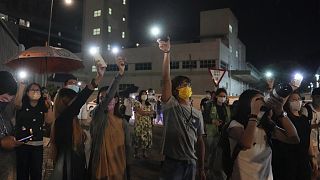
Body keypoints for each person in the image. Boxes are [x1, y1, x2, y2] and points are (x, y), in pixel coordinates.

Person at [158, 38, 206, 180]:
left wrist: (201, 167)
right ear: (175, 90)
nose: (187, 88)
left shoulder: (197, 113)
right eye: (183, 85)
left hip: (191, 162)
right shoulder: (171, 105)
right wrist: (167, 53)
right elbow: (166, 79)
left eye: (189, 85)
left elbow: (200, 140)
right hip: (172, 163)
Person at [228, 89, 300, 180]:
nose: (262, 102)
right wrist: (254, 114)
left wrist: (280, 112)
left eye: (263, 99)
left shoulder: (266, 126)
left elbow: (294, 139)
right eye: (258, 100)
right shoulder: (236, 124)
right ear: (247, 103)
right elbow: (246, 143)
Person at [50, 63, 105, 180]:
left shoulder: (70, 120)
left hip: (74, 166)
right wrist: (98, 78)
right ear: (65, 103)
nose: (78, 106)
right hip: (69, 170)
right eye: (74, 102)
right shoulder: (63, 120)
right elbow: (80, 100)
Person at [88, 58, 131, 180]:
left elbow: (128, 146)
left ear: (116, 100)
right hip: (101, 167)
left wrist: (129, 166)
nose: (105, 100)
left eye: (108, 97)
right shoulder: (98, 114)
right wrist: (119, 74)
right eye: (101, 98)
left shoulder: (122, 122)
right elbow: (108, 97)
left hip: (119, 167)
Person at [272, 91, 317, 180]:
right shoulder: (284, 119)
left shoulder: (304, 119)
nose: (297, 101)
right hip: (287, 161)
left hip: (303, 160)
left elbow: (307, 138)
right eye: (293, 99)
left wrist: (312, 157)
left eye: (299, 99)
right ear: (287, 102)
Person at [14, 82, 54, 180]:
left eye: (37, 90)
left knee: (36, 172)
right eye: (33, 89)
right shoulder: (22, 104)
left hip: (37, 144)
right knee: (22, 172)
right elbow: (16, 104)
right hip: (22, 144)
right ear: (27, 93)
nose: (35, 92)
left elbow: (49, 121)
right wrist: (21, 87)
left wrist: (49, 106)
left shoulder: (43, 106)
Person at [0, 71, 22, 180]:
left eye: (9, 100)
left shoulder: (6, 110)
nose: (5, 103)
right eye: (4, 99)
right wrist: (1, 142)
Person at [301, 87, 320, 178]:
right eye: (318, 96)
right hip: (311, 149)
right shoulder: (306, 110)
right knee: (313, 174)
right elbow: (303, 130)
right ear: (312, 97)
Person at [133, 90, 155, 159]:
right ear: (140, 95)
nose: (144, 95)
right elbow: (141, 112)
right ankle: (136, 153)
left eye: (145, 94)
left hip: (147, 125)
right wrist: (148, 113)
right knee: (137, 138)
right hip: (139, 124)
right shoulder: (137, 103)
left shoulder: (149, 104)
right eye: (142, 94)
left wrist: (148, 114)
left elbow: (153, 113)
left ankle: (144, 153)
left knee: (146, 139)